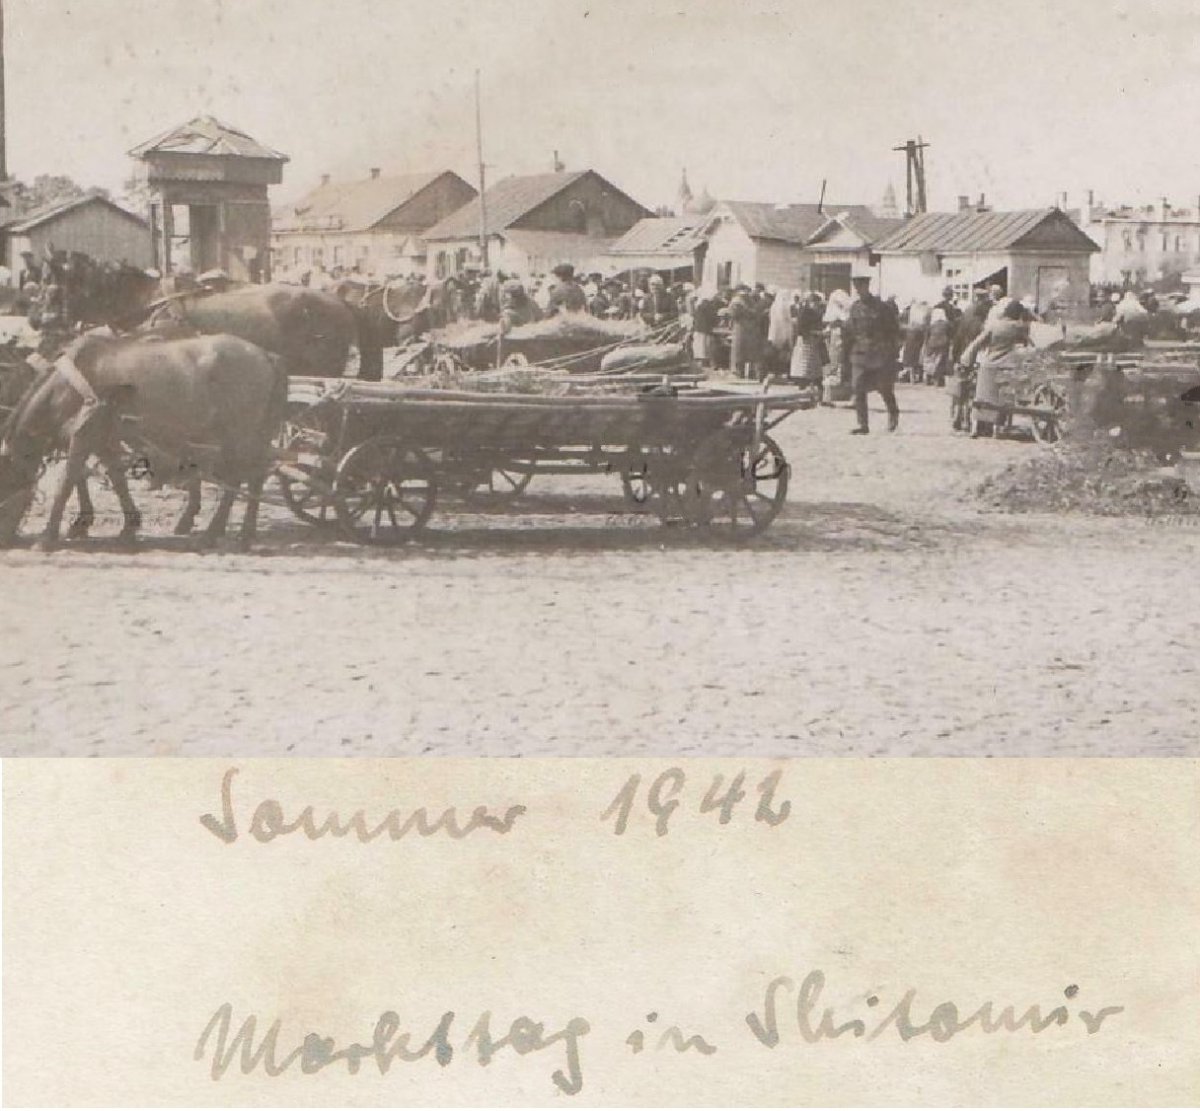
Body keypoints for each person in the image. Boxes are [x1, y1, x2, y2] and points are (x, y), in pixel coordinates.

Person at [960, 298, 1031, 437]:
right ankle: (996, 429)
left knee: (981, 396)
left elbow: (977, 343)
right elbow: (1029, 342)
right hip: (1008, 365)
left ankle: (975, 428)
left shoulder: (994, 325)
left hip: (989, 365)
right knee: (1002, 398)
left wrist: (966, 357)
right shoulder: (1020, 327)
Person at [842, 270, 900, 433]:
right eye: (856, 287)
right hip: (859, 354)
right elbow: (850, 331)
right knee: (858, 387)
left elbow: (893, 330)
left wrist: (891, 352)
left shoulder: (882, 307)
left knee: (884, 388)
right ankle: (863, 424)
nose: (859, 290)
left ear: (867, 286)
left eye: (861, 286)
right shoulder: (855, 307)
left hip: (879, 354)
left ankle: (893, 412)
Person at [790, 291, 827, 385]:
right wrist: (817, 333)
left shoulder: (808, 311)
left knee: (809, 366)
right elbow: (803, 329)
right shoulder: (807, 312)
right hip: (807, 341)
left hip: (810, 341)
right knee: (806, 365)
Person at [921, 306, 953, 387]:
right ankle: (937, 380)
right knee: (940, 361)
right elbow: (951, 334)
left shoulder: (932, 324)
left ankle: (928, 377)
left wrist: (925, 345)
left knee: (931, 360)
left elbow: (927, 335)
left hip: (931, 343)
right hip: (943, 343)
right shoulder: (947, 324)